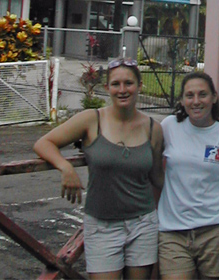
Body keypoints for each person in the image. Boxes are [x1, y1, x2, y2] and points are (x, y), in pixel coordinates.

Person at [33, 58, 164, 280]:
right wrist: (65, 167)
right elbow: (43, 143)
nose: (122, 90)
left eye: (129, 83)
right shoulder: (91, 119)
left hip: (143, 223)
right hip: (102, 225)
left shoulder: (153, 129)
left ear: (140, 86)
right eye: (116, 84)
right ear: (107, 88)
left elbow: (157, 180)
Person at [158, 71, 219, 280]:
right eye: (189, 95)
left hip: (215, 231)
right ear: (182, 100)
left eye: (202, 94)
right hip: (173, 232)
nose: (196, 101)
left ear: (213, 98)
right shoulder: (168, 127)